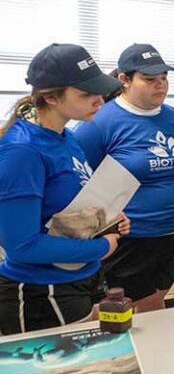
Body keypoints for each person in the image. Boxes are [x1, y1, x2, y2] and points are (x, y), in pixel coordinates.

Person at [0, 43, 129, 334]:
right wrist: (100, 246)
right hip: (41, 290)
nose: (99, 100)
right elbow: (21, 246)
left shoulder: (67, 137)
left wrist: (108, 221)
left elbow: (71, 207)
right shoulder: (23, 152)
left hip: (80, 277)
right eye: (86, 94)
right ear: (51, 97)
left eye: (99, 90)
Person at [74, 44, 174, 313]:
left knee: (153, 303)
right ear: (124, 80)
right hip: (131, 239)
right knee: (115, 311)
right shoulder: (99, 121)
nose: (160, 85)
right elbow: (79, 179)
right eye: (150, 79)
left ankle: (156, 355)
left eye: (164, 78)